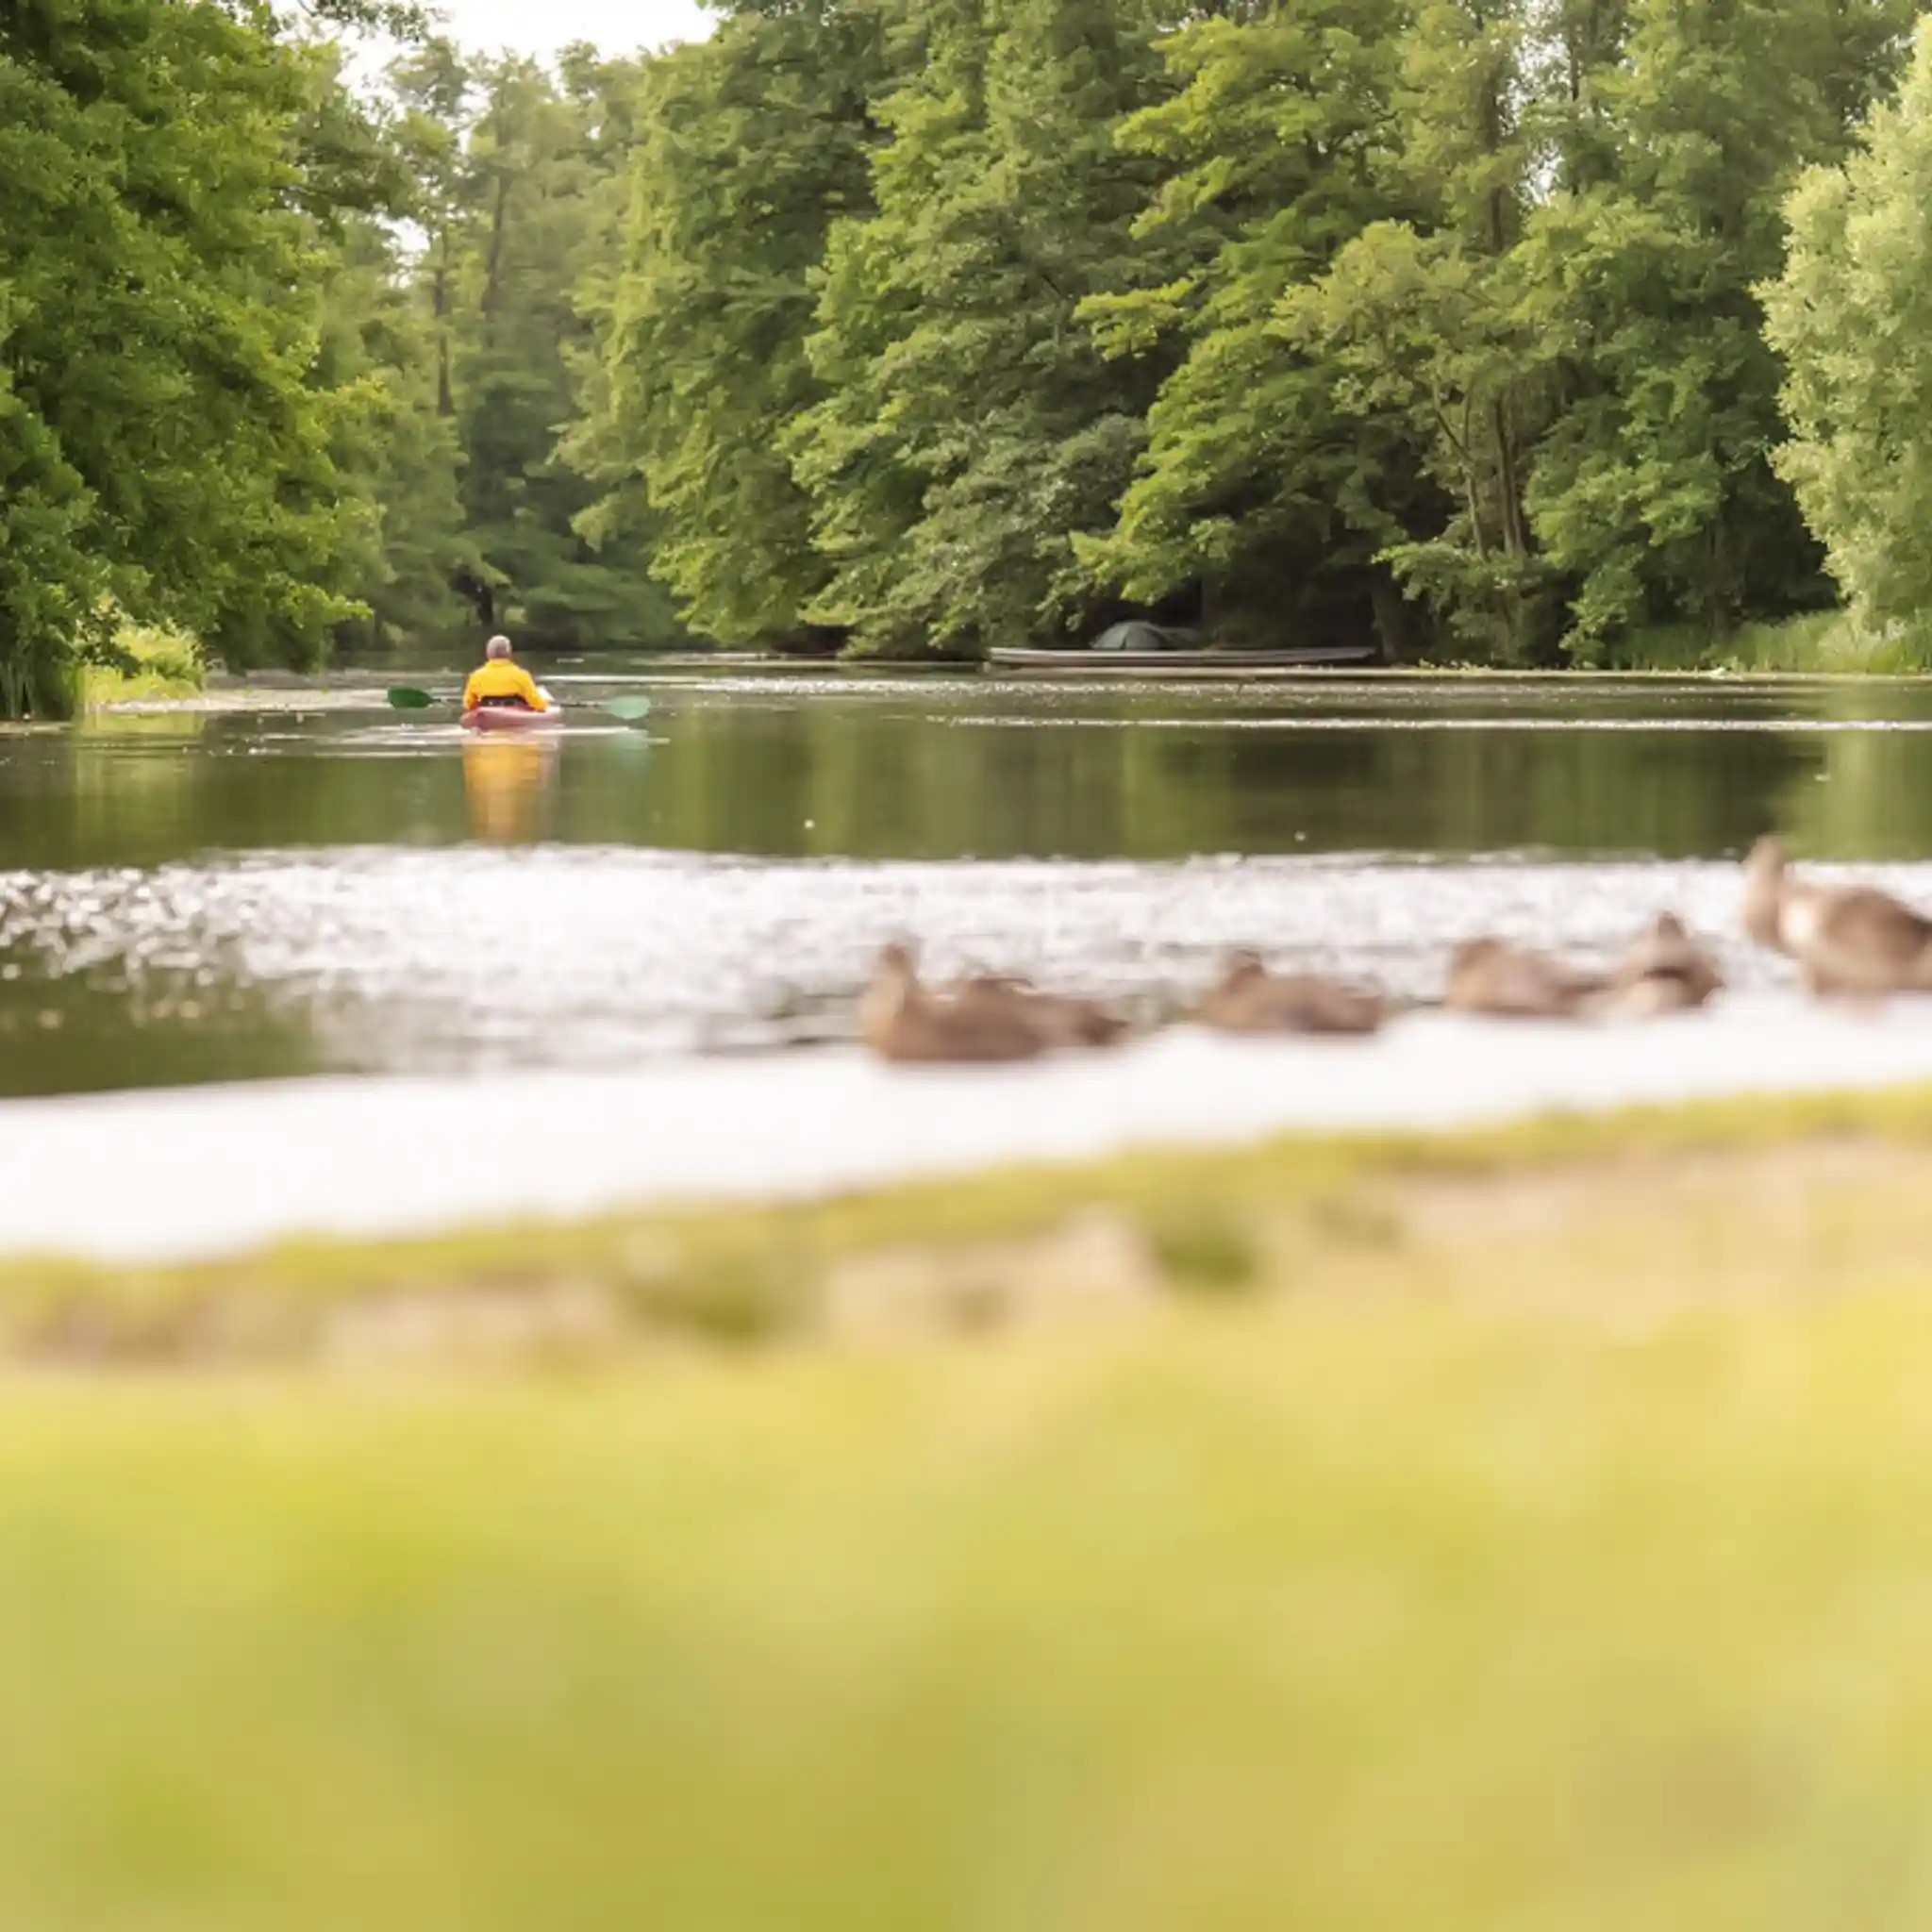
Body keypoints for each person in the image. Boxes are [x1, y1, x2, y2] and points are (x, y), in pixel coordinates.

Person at [462, 635, 552, 714]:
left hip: (487, 713)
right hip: (515, 715)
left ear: (487, 653)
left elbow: (468, 704)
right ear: (509, 653)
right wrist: (545, 701)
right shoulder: (521, 675)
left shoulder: (476, 676)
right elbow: (539, 705)